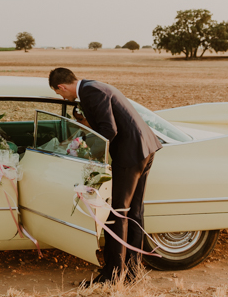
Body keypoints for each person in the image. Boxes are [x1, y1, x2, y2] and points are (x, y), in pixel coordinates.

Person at [48, 67, 162, 285]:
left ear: (61, 87)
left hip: (129, 154)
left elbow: (109, 130)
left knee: (117, 213)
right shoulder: (93, 85)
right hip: (144, 149)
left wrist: (83, 147)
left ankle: (112, 275)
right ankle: (131, 271)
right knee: (134, 212)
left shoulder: (91, 92)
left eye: (59, 93)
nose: (62, 97)